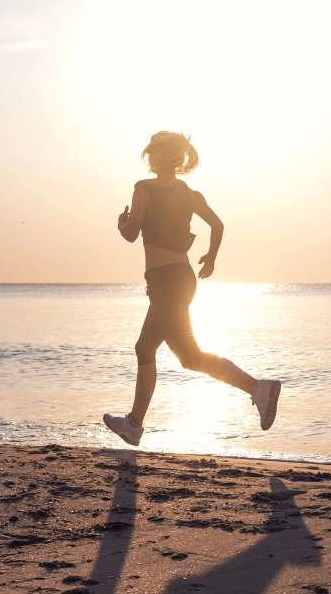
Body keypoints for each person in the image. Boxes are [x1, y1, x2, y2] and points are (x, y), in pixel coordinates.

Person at [102, 131, 280, 446]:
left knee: (148, 348)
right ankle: (258, 388)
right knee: (188, 357)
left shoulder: (143, 189)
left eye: (152, 152)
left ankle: (134, 424)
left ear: (158, 157)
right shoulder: (189, 194)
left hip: (167, 281)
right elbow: (217, 225)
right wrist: (211, 257)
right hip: (180, 279)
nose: (150, 157)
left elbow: (130, 234)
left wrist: (121, 223)